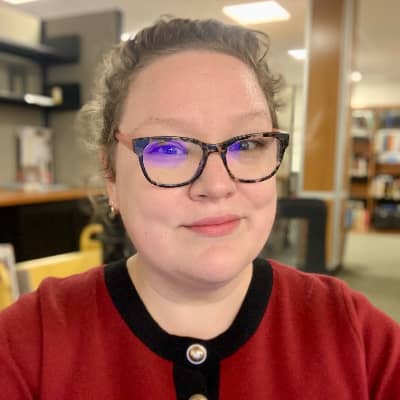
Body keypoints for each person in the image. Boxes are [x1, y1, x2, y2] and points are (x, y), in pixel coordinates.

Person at [0, 17, 399, 400]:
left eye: (247, 144)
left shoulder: (359, 338)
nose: (217, 186)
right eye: (169, 148)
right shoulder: (27, 346)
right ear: (111, 175)